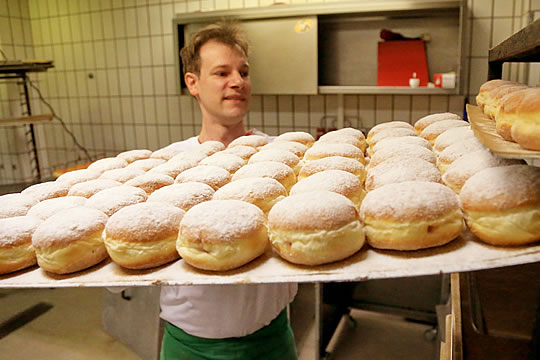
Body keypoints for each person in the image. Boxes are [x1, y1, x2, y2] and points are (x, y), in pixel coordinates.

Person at [159, 21, 298, 359]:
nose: (237, 82)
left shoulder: (281, 157)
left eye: (244, 72)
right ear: (193, 83)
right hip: (189, 345)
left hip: (271, 338)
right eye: (222, 72)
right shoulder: (169, 165)